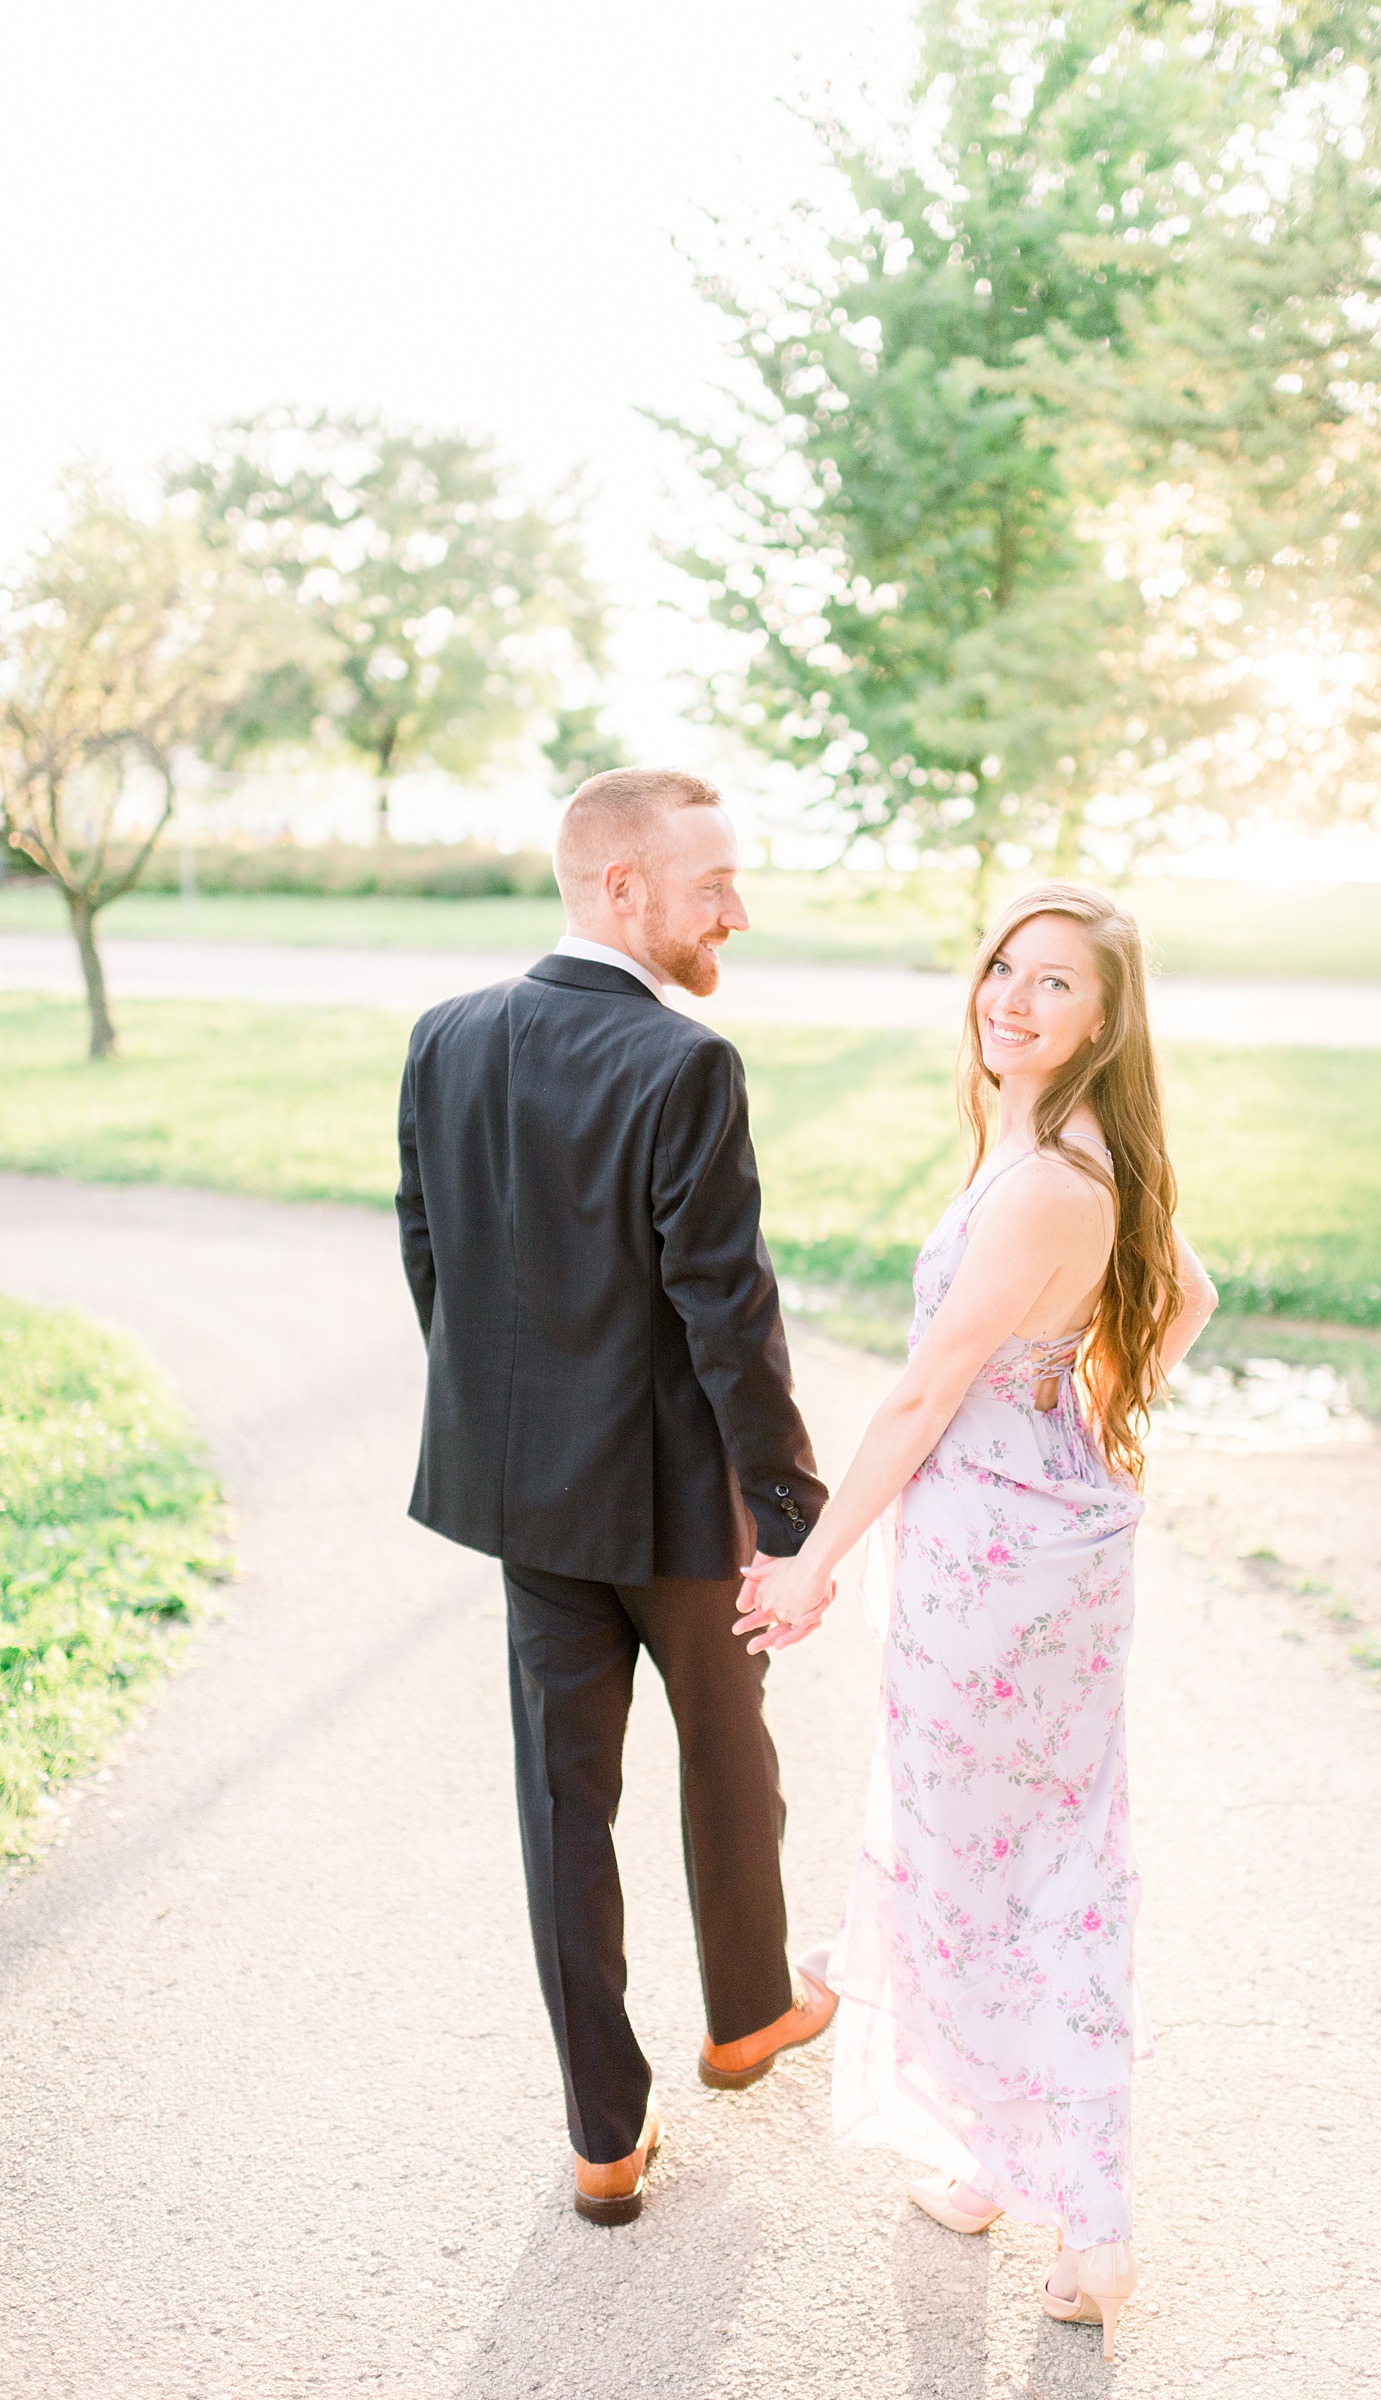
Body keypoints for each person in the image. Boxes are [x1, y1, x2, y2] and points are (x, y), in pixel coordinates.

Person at [737, 882, 1217, 2356]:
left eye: (1054, 985)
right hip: (1037, 1549)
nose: (1011, 997)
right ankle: (1000, 2164)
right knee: (1029, 1857)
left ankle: (1084, 2216)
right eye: (1004, 967)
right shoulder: (1059, 1150)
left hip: (993, 1567)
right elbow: (1185, 1296)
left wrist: (811, 1561)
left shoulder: (1045, 1182)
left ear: (1103, 1020)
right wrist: (1080, 1412)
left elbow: (924, 1391)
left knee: (998, 1870)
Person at [396, 767, 837, 2227]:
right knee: (729, 1755)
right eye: (715, 885)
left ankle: (602, 2134)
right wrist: (788, 1513)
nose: (738, 911)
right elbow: (728, 1311)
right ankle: (746, 2016)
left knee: (559, 1799)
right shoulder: (683, 1065)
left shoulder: (444, 1038)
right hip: (663, 1508)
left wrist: (506, 1435)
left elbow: (433, 1266)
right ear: (622, 890)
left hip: (524, 1506)